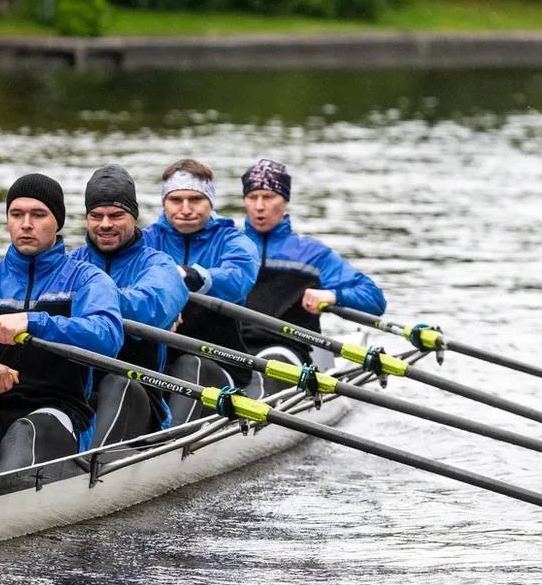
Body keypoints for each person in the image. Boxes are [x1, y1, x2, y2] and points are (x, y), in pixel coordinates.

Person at [0, 173, 124, 481]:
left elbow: (107, 335)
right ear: (7, 221)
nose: (26, 224)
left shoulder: (87, 279)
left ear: (57, 222)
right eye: (17, 214)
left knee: (23, 433)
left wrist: (34, 322)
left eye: (38, 214)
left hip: (58, 410)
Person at [69, 164, 188, 448]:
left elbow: (148, 309)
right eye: (96, 216)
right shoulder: (69, 263)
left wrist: (84, 299)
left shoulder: (159, 265)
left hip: (139, 398)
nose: (105, 224)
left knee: (117, 382)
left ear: (133, 217)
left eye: (116, 215)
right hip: (74, 400)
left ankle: (86, 468)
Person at [141, 158, 260, 422]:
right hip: (158, 365)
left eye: (195, 199)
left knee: (189, 363)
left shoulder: (234, 241)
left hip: (222, 363)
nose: (185, 209)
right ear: (164, 202)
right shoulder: (147, 240)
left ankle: (169, 444)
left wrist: (188, 275)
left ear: (210, 201)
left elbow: (238, 278)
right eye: (176, 200)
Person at [241, 158, 386, 373]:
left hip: (287, 352)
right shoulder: (230, 245)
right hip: (232, 348)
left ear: (285, 201)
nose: (259, 206)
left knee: (275, 361)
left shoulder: (311, 254)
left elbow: (374, 299)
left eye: (269, 197)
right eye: (252, 197)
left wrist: (333, 295)